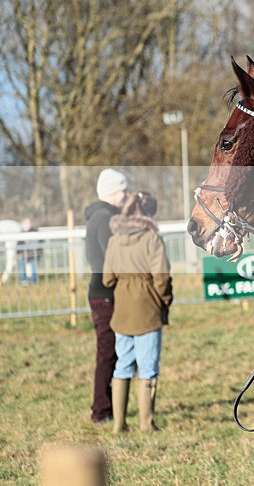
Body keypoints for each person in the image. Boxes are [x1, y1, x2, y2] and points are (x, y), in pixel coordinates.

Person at [103, 191, 172, 433]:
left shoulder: (114, 240)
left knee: (122, 365)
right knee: (148, 367)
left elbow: (107, 278)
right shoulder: (152, 239)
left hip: (122, 310)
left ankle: (119, 424)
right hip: (147, 309)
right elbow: (161, 278)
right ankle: (146, 423)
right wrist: (165, 301)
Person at [84, 168, 129, 423]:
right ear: (113, 191)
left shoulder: (102, 216)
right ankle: (101, 410)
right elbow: (113, 257)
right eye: (122, 189)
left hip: (104, 293)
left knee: (111, 351)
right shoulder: (104, 218)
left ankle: (108, 407)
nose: (125, 194)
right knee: (107, 352)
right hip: (105, 295)